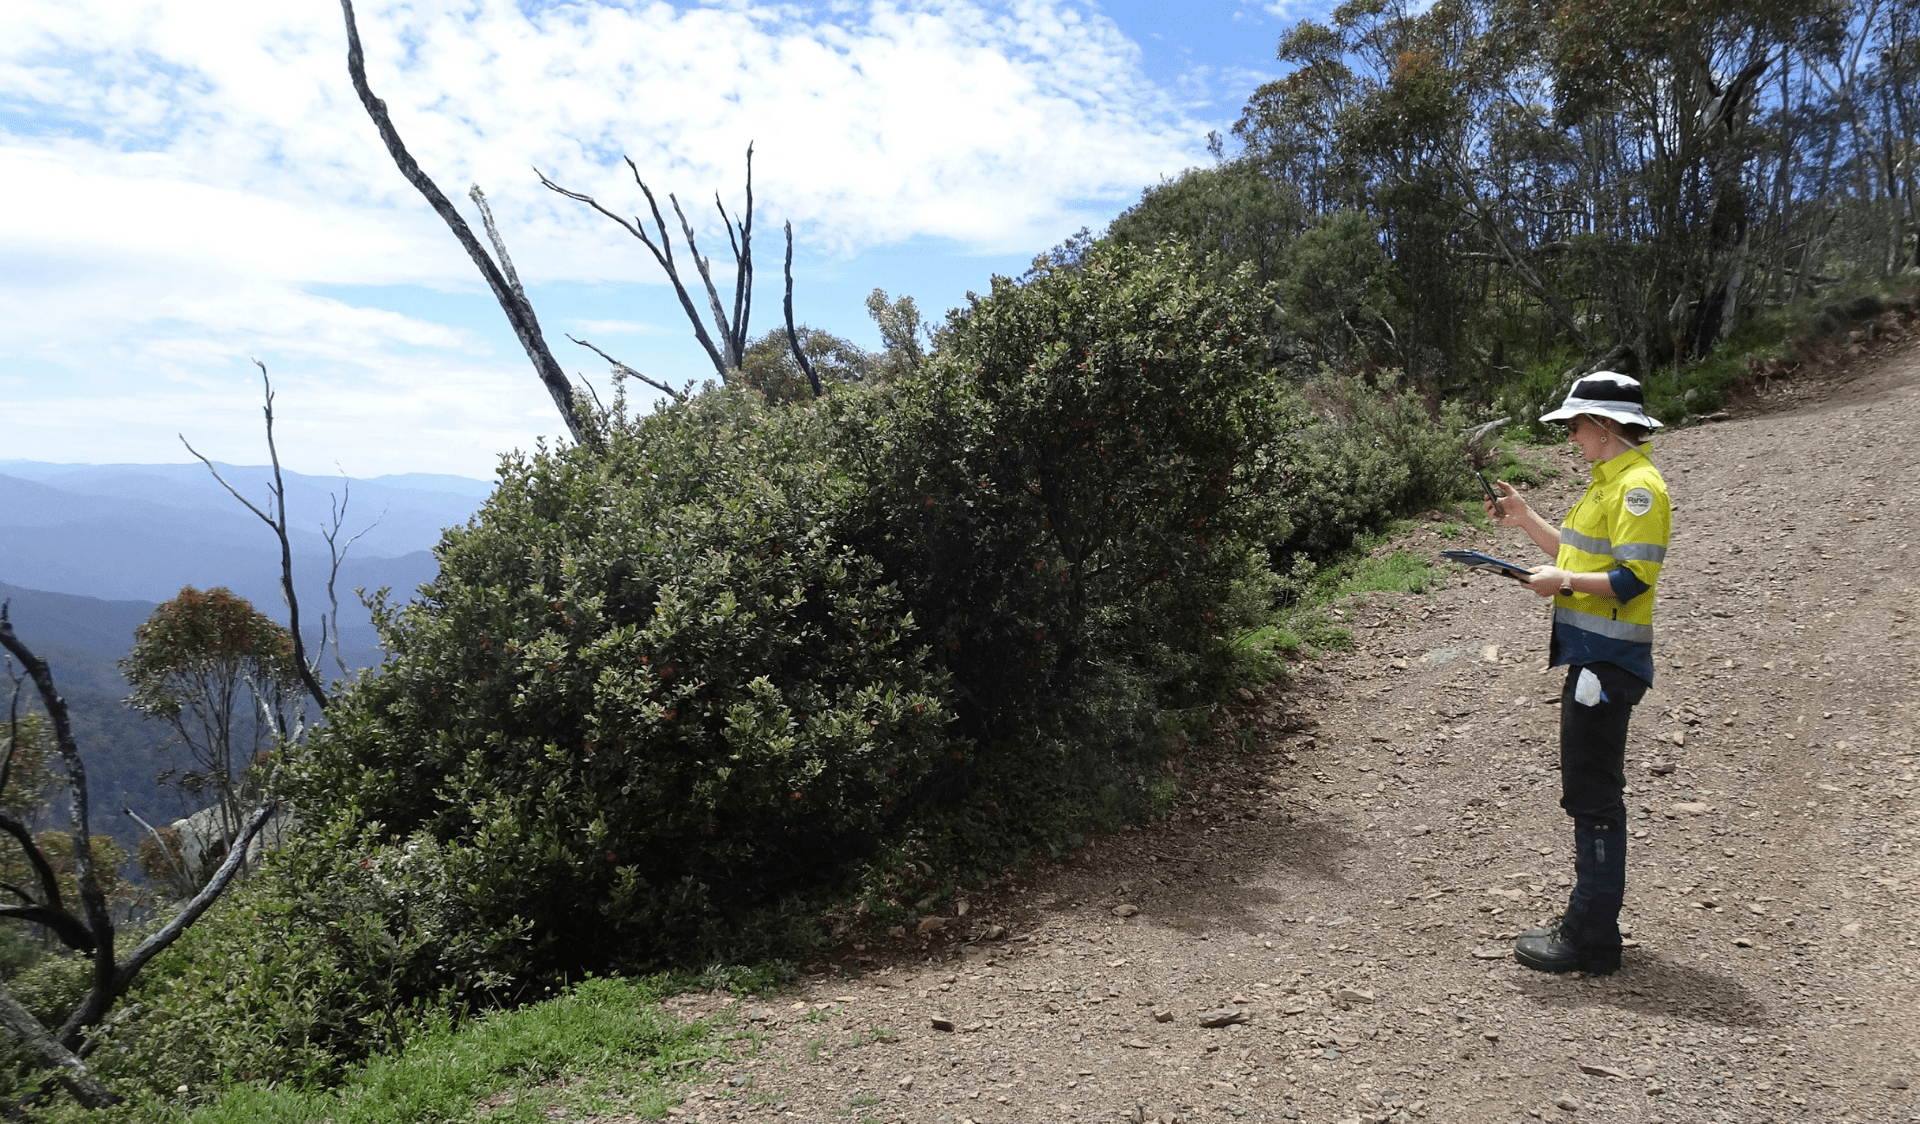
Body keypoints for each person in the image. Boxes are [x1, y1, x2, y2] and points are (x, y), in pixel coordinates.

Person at [1483, 372, 1670, 975]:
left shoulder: (1639, 489)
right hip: (1593, 659)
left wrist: (1559, 582)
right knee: (1590, 795)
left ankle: (1591, 936)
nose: (1571, 437)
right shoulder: (1608, 483)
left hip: (1608, 664)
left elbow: (1631, 580)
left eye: (1576, 425)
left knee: (1594, 800)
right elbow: (1576, 551)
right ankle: (1590, 925)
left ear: (1606, 426)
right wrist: (1526, 520)